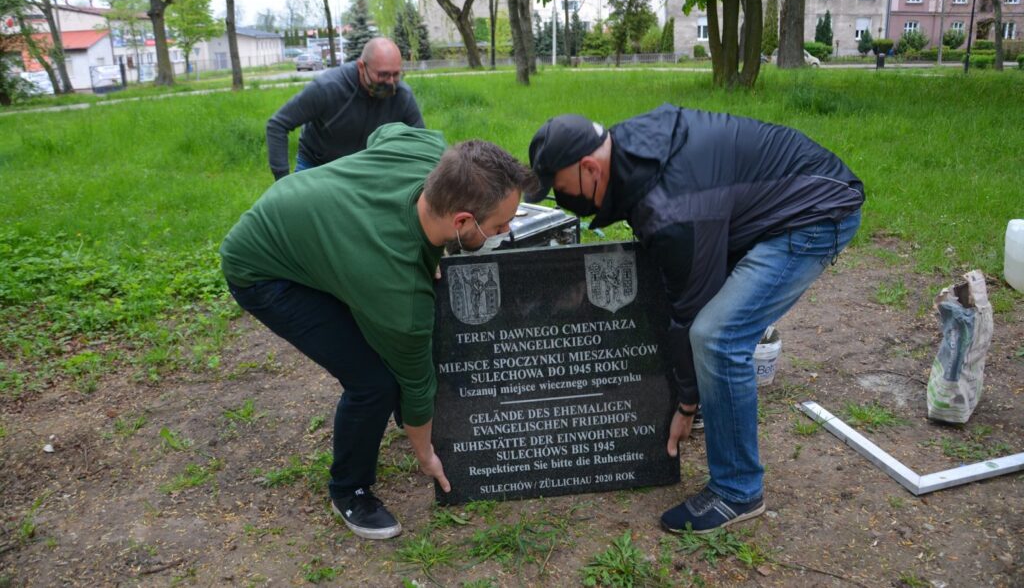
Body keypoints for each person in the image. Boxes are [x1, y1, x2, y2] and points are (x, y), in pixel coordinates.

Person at [527, 104, 864, 534]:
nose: (561, 201)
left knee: (717, 337)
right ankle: (713, 400)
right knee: (703, 326)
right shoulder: (631, 148)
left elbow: (689, 308)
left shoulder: (674, 208)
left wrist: (685, 403)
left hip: (812, 215)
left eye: (559, 189)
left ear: (590, 168)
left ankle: (738, 491)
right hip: (763, 200)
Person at [221, 122, 536, 539]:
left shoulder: (430, 156)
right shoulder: (399, 296)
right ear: (462, 219)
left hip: (311, 225)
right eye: (497, 227)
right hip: (264, 268)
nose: (505, 232)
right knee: (374, 382)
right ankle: (349, 491)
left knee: (380, 346)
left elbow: (387, 131)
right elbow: (416, 379)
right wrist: (426, 453)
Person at [265, 37, 424, 180]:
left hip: (367, 168)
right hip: (317, 165)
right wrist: (282, 180)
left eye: (395, 74)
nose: (390, 82)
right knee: (298, 209)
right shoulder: (327, 88)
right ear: (361, 67)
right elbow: (278, 125)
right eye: (382, 75)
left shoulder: (402, 95)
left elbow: (421, 142)